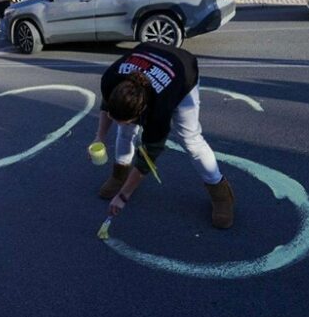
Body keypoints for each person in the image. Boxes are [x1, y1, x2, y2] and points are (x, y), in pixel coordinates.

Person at [92, 42, 235, 229]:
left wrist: (123, 196)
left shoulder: (159, 110)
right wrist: (99, 137)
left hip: (182, 73)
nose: (114, 120)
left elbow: (147, 159)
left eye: (122, 119)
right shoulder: (111, 79)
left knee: (190, 139)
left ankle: (221, 192)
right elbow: (107, 108)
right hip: (150, 55)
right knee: (125, 130)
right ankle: (120, 174)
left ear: (141, 113)